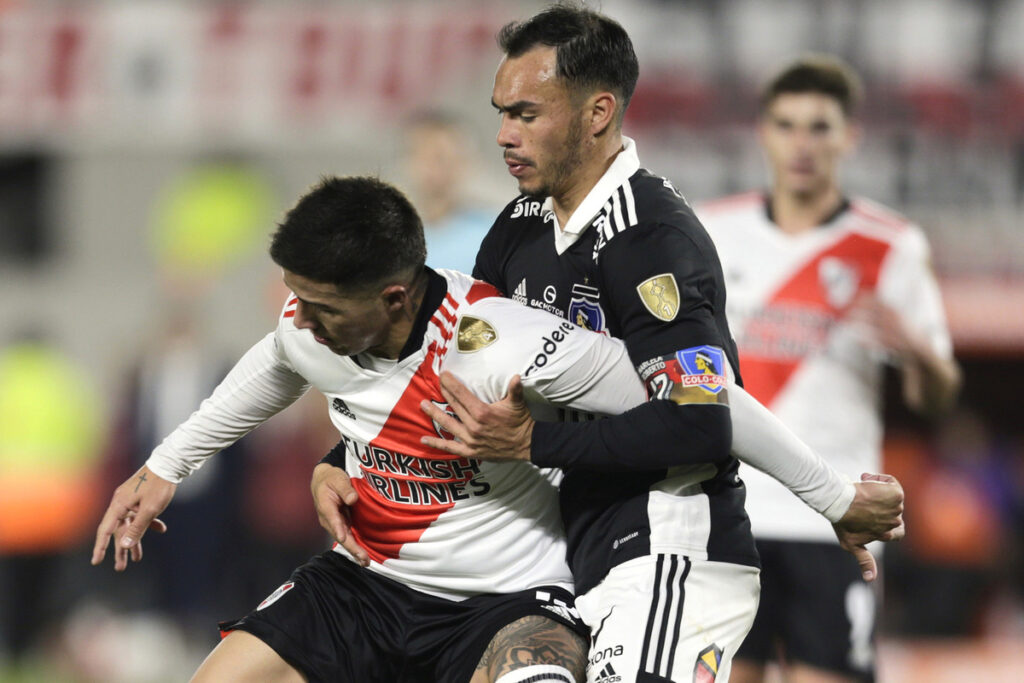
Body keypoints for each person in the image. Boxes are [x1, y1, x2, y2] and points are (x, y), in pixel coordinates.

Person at [310, 6, 906, 683]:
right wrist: (344, 456)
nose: (504, 134)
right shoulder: (518, 226)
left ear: (597, 113)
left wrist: (534, 442)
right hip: (565, 551)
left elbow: (701, 417)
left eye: (528, 115)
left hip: (668, 545)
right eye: (502, 112)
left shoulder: (654, 242)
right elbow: (449, 365)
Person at [92, 174, 672, 683]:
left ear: (392, 299)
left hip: (504, 604)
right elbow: (277, 362)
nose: (303, 320)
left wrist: (538, 442)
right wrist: (167, 466)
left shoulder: (498, 340)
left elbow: (673, 401)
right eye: (298, 298)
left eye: (323, 307)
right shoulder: (309, 330)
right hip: (363, 589)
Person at [694, 55, 961, 682]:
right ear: (763, 132)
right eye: (787, 125)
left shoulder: (891, 245)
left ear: (849, 137)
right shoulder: (712, 229)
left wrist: (920, 354)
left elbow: (938, 400)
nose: (802, 144)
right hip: (729, 510)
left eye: (820, 127)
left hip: (837, 514)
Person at [401, 110, 498, 273]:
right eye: (423, 155)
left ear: (464, 163)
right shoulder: (390, 235)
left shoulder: (492, 235)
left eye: (441, 157)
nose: (431, 167)